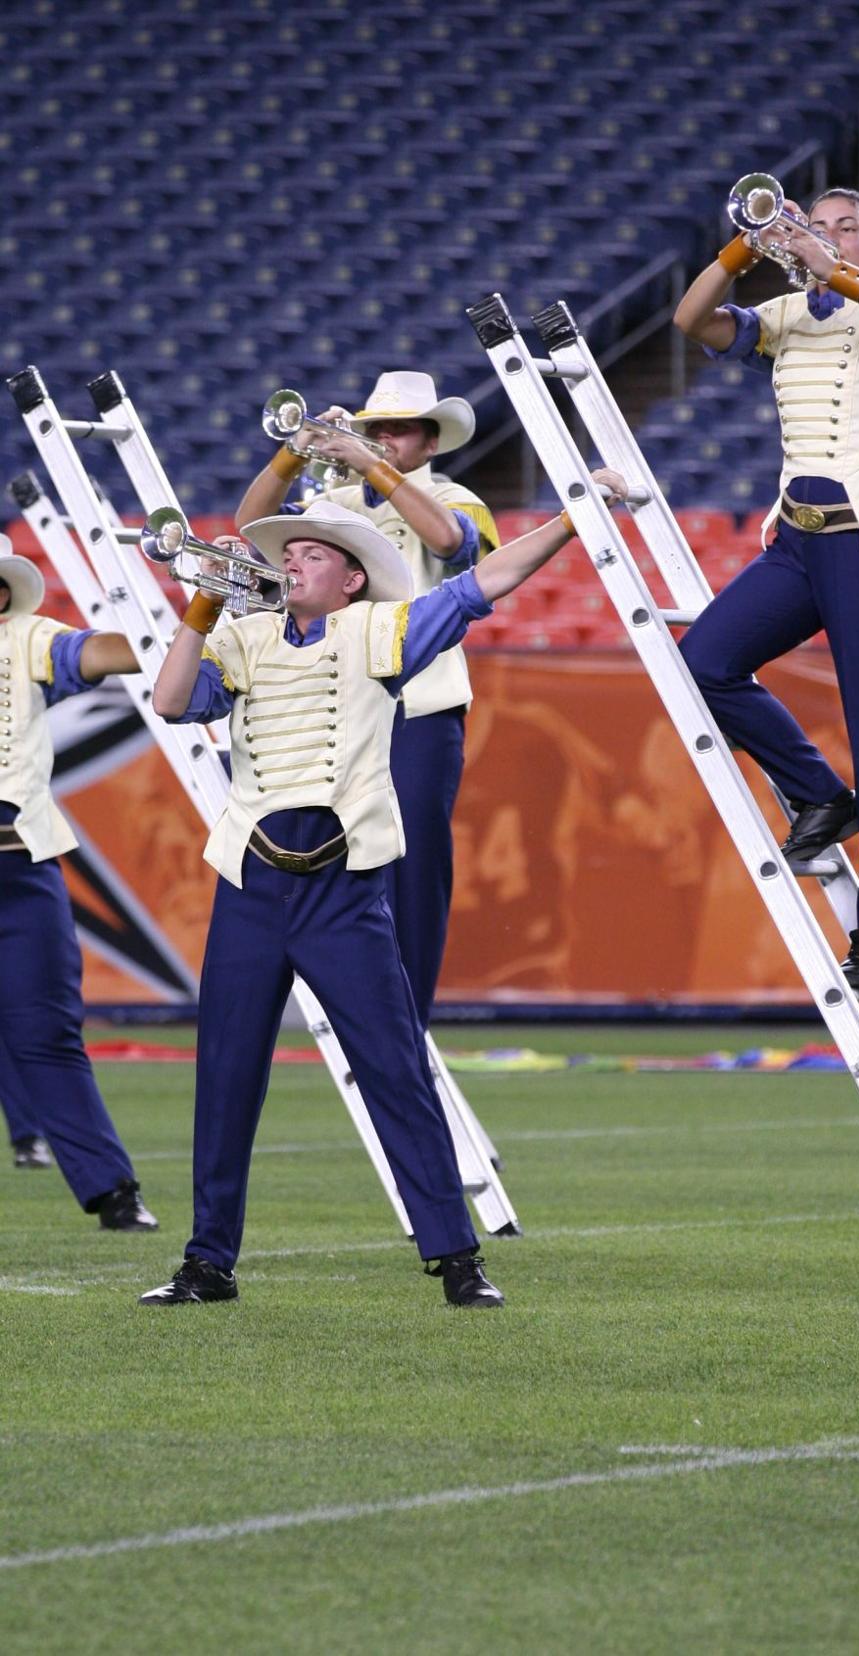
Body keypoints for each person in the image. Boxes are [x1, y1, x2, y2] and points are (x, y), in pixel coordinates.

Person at [140, 478, 626, 1309]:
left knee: (395, 1069)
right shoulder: (244, 637)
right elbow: (170, 700)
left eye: (312, 553)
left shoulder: (379, 629)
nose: (291, 562)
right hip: (250, 881)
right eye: (286, 552)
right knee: (224, 1077)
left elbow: (486, 582)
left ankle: (457, 1257)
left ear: (352, 575)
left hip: (344, 883)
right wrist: (199, 606)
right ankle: (206, 1263)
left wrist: (577, 518)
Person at [672, 188, 859, 995]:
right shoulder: (788, 313)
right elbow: (692, 321)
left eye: (844, 228)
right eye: (815, 224)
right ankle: (821, 795)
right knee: (705, 663)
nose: (822, 236)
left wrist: (837, 270)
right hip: (798, 539)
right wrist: (745, 245)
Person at [235, 371, 497, 1031]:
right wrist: (297, 450)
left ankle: (410, 1017)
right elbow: (249, 528)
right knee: (331, 849)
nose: (383, 438)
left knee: (413, 864)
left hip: (419, 705)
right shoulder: (337, 501)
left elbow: (449, 543)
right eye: (376, 427)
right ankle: (354, 1002)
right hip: (341, 699)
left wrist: (372, 468)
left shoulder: (453, 494)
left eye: (399, 429)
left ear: (430, 442)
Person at [0, 544, 158, 1229]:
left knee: (49, 1032)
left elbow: (97, 654)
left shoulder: (26, 638)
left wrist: (179, 632)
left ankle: (112, 1190)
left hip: (19, 866)